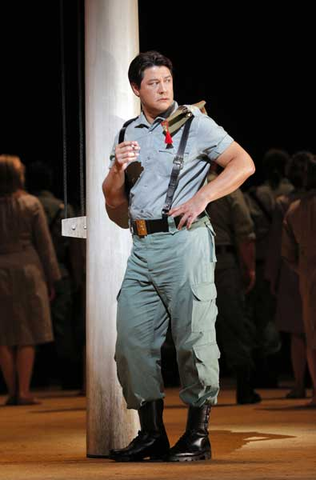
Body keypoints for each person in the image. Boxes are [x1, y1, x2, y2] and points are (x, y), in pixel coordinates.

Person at [102, 51, 255, 462]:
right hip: (141, 245)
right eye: (153, 82)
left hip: (184, 241)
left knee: (194, 339)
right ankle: (151, 434)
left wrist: (203, 196)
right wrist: (116, 170)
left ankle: (197, 435)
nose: (163, 87)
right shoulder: (127, 132)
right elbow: (113, 206)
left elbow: (243, 163)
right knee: (131, 343)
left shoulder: (195, 124)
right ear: (136, 89)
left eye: (167, 80)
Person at [0, 155, 60, 405]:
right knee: (27, 331)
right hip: (27, 268)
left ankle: (12, 390)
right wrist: (52, 277)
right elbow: (45, 245)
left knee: (3, 333)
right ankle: (23, 391)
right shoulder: (30, 203)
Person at [26, 161, 84, 390]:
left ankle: (34, 378)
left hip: (27, 271)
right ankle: (64, 376)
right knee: (62, 327)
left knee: (27, 328)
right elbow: (76, 248)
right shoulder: (63, 208)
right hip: (60, 271)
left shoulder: (23, 204)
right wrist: (78, 277)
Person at [206, 165, 260, 405]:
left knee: (192, 327)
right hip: (223, 262)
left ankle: (199, 392)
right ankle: (244, 386)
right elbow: (244, 231)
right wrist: (249, 268)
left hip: (189, 262)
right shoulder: (227, 185)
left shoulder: (182, 183)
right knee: (233, 322)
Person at [265, 151, 313, 398]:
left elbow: (278, 246)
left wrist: (272, 275)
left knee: (298, 331)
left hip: (296, 271)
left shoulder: (286, 205)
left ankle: (298, 384)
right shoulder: (287, 205)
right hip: (301, 269)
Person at [244, 148, 293, 387]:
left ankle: (267, 373)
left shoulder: (256, 195)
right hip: (293, 265)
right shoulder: (293, 194)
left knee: (264, 319)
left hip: (263, 262)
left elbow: (249, 229)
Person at [282, 154, 316, 407]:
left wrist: (304, 270)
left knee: (311, 335)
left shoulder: (293, 211)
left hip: (309, 276)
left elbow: (288, 254)